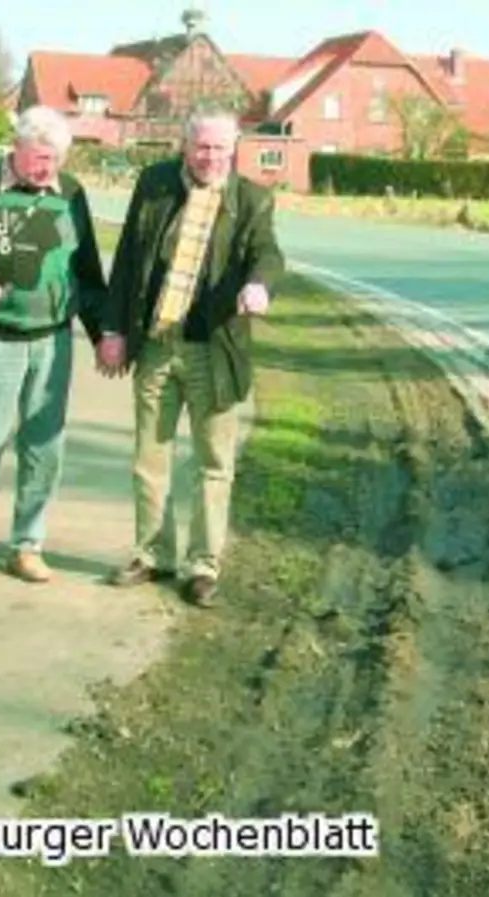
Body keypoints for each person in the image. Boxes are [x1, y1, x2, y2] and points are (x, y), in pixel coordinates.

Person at [96, 109, 285, 607]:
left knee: (213, 464)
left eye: (221, 149)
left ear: (234, 149)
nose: (211, 157)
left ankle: (203, 566)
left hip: (214, 351)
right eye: (202, 147)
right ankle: (152, 554)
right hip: (157, 345)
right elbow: (129, 262)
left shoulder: (252, 199)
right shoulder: (155, 184)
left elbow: (268, 253)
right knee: (149, 457)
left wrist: (258, 286)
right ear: (185, 145)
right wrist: (113, 329)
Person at [0, 105, 109, 586]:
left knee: (44, 448)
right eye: (39, 157)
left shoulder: (71, 194)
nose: (47, 169)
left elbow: (89, 274)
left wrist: (103, 336)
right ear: (17, 146)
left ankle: (27, 546)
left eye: (55, 159)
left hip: (52, 342)